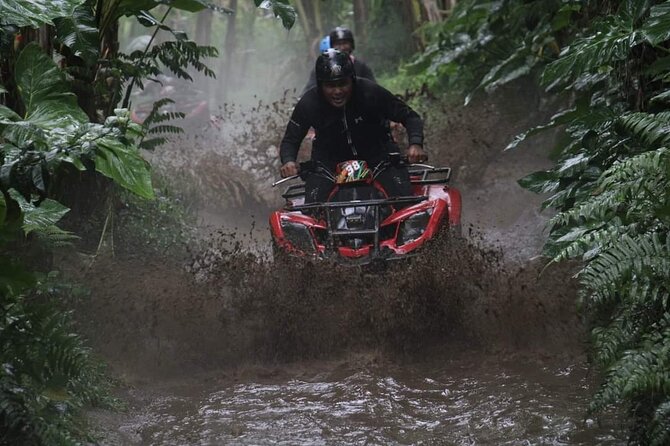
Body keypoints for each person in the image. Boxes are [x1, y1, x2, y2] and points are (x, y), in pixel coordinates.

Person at [279, 49, 427, 204]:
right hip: (328, 165)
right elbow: (290, 140)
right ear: (320, 85)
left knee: (405, 204)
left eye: (343, 83)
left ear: (352, 79)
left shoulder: (371, 92)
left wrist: (415, 144)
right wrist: (288, 161)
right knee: (312, 209)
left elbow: (411, 117)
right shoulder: (309, 103)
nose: (337, 91)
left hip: (379, 159)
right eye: (330, 85)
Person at [302, 26, 375, 94]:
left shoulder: (361, 67)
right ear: (331, 46)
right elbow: (309, 91)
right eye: (338, 44)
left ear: (351, 45)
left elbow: (373, 90)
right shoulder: (321, 68)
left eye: (345, 43)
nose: (342, 47)